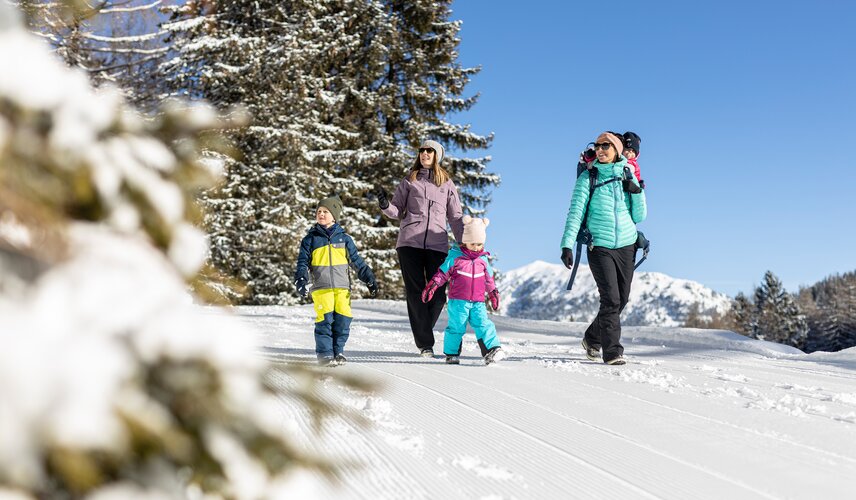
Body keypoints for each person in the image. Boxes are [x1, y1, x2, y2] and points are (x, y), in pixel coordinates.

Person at [560, 132, 647, 365]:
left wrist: (636, 191)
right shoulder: (588, 177)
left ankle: (591, 338)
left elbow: (640, 215)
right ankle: (613, 351)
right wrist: (567, 244)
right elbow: (575, 212)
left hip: (627, 245)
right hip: (599, 245)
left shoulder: (627, 173)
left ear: (617, 149)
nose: (600, 149)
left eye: (605, 146)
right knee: (610, 299)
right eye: (597, 146)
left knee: (622, 299)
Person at [376, 140, 465, 358]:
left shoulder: (446, 184)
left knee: (438, 296)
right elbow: (397, 210)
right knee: (415, 292)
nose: (424, 153)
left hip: (437, 244)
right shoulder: (410, 179)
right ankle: (425, 344)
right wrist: (385, 205)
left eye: (429, 151)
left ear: (437, 156)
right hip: (409, 243)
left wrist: (464, 244)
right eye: (422, 150)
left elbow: (455, 216)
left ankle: (423, 330)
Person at [294, 195, 378, 366]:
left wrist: (369, 278)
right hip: (321, 287)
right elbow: (302, 263)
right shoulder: (310, 239)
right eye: (319, 211)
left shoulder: (345, 239)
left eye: (326, 211)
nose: (321, 214)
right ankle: (325, 354)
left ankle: (338, 351)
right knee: (324, 320)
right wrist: (302, 280)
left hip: (342, 288)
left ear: (334, 215)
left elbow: (357, 262)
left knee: (343, 320)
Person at [421, 216, 503, 365]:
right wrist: (432, 286)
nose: (477, 247)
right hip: (458, 301)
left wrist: (493, 293)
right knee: (456, 327)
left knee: (483, 324)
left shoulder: (482, 260)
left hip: (478, 301)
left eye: (480, 244)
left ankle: (492, 350)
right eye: (473, 243)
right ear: (465, 240)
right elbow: (442, 274)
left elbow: (489, 280)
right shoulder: (455, 258)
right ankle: (452, 354)